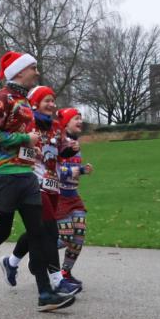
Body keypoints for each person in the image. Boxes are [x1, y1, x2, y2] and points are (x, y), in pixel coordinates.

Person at [0, 52, 75, 312]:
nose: (37, 72)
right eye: (33, 67)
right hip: (3, 176)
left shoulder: (25, 101)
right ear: (19, 72)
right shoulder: (2, 99)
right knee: (1, 231)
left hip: (27, 176)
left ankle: (45, 293)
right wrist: (24, 140)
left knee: (38, 232)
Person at [0, 86, 80, 295]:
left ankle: (11, 262)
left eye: (53, 101)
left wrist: (68, 150)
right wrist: (30, 148)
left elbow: (58, 153)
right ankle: (56, 280)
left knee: (39, 229)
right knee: (50, 230)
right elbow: (17, 149)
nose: (52, 105)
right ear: (34, 103)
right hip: (33, 183)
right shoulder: (28, 124)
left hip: (53, 185)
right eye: (46, 101)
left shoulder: (55, 127)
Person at [55, 106, 92, 290]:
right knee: (66, 237)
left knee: (79, 236)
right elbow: (52, 168)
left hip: (73, 195)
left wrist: (83, 170)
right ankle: (41, 253)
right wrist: (72, 170)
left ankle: (65, 273)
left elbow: (73, 170)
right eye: (76, 118)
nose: (80, 121)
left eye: (80, 118)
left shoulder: (76, 144)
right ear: (66, 123)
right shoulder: (59, 142)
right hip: (59, 196)